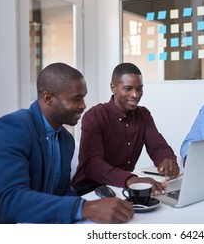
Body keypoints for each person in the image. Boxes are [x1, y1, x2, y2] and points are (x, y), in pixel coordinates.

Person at [0, 63, 133, 224]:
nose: (83, 105)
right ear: (48, 98)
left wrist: (103, 207)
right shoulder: (11, 129)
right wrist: (85, 208)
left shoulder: (65, 140)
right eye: (76, 99)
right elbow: (10, 201)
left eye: (83, 97)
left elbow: (62, 193)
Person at [72, 62, 179, 196]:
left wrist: (167, 160)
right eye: (128, 88)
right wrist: (131, 180)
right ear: (113, 88)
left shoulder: (143, 115)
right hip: (90, 190)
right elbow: (93, 165)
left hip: (121, 187)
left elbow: (157, 146)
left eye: (139, 89)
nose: (135, 95)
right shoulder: (95, 116)